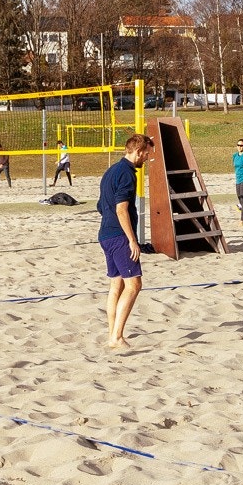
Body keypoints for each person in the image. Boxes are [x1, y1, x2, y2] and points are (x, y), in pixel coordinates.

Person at [97, 133, 155, 349]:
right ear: (138, 152)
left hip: (105, 235)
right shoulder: (128, 174)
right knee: (134, 284)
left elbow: (101, 206)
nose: (147, 159)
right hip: (119, 236)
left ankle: (112, 334)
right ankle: (117, 337)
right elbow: (121, 209)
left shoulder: (110, 171)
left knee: (116, 285)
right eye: (146, 154)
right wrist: (132, 240)